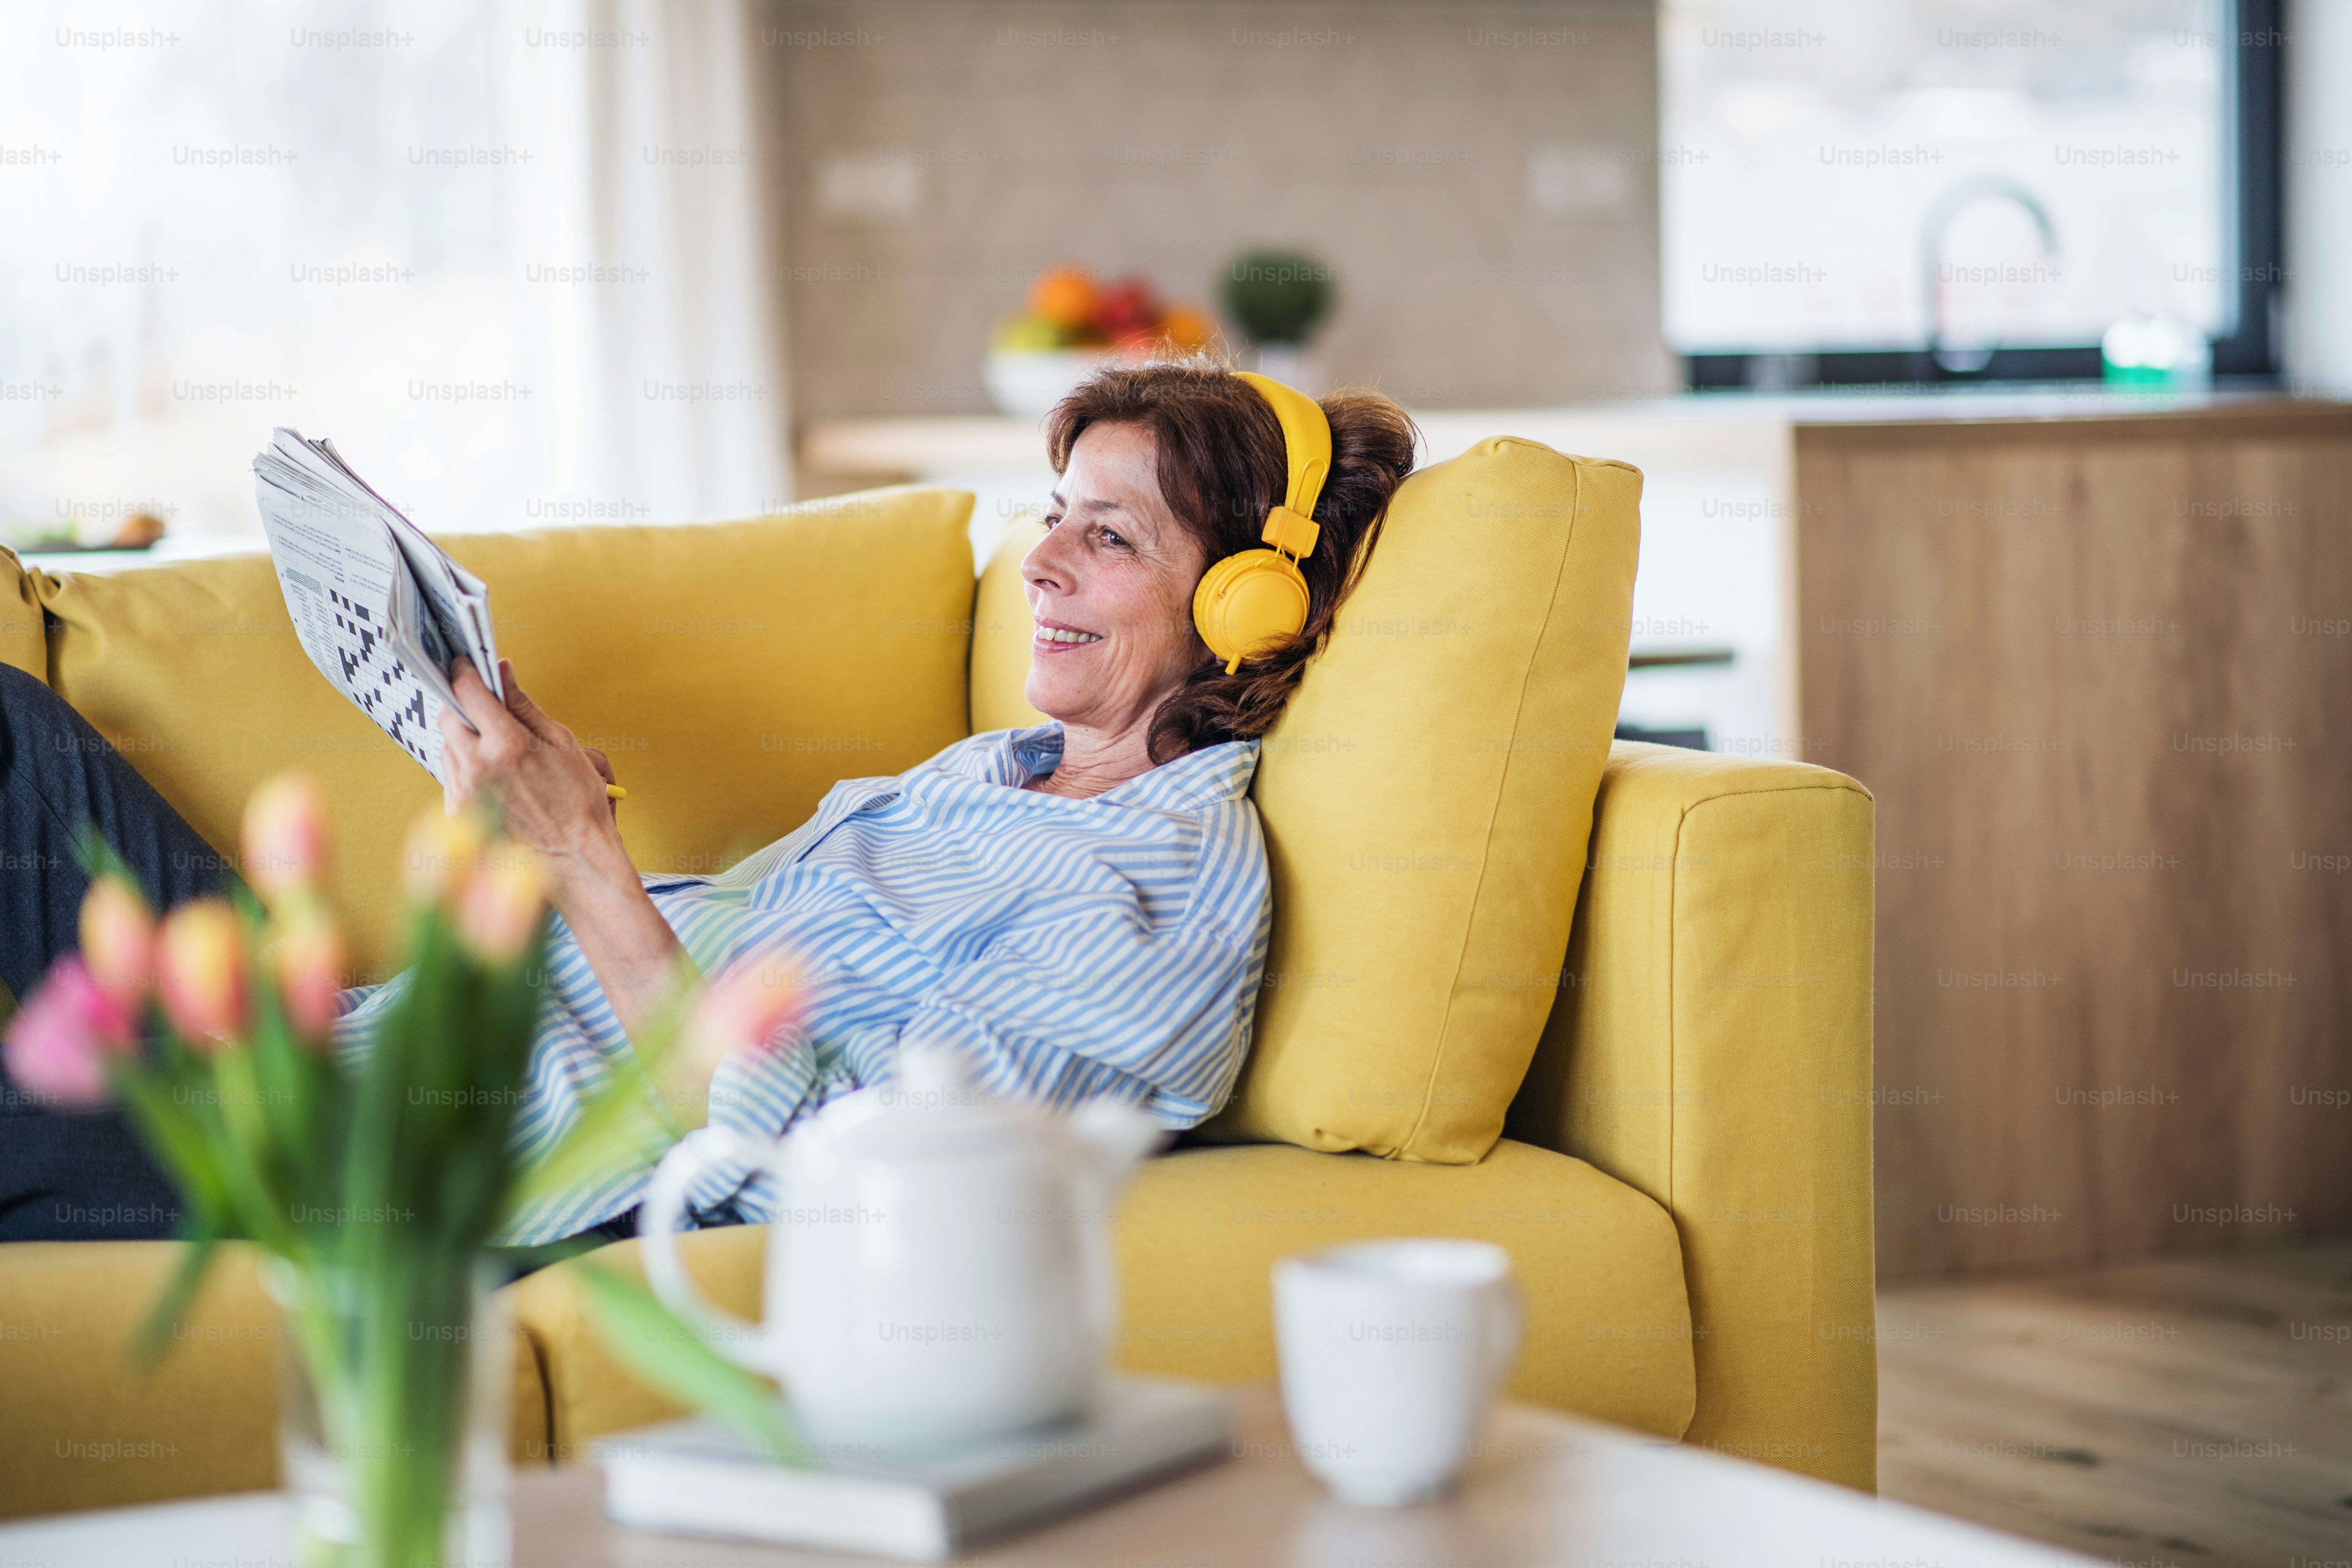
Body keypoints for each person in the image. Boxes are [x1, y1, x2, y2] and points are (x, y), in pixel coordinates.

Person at [0, 363, 1416, 1245]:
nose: (1040, 562)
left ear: (1248, 610)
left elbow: (855, 1188)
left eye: (1108, 537)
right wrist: (531, 829)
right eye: (1052, 511)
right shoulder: (991, 773)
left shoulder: (1155, 897)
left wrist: (582, 856)